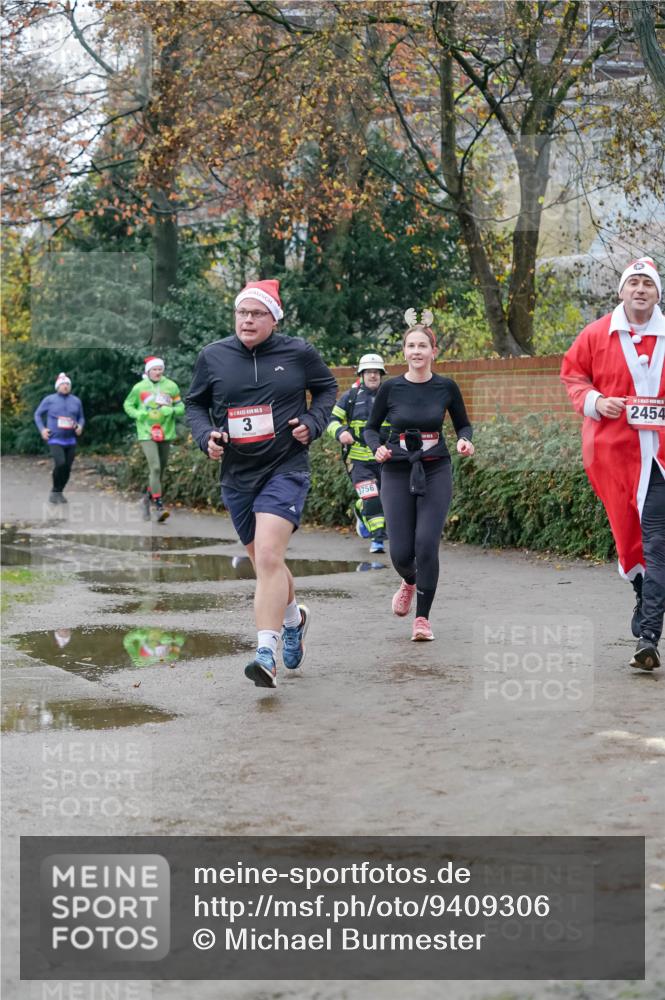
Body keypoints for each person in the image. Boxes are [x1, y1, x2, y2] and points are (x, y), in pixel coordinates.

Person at [185, 279, 337, 689]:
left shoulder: (299, 352)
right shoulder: (213, 356)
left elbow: (326, 390)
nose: (247, 320)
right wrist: (207, 437)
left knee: (269, 555)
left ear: (274, 318)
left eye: (256, 314)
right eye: (242, 313)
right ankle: (294, 621)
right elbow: (194, 404)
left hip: (286, 467)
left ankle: (264, 653)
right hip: (237, 475)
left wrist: (312, 423)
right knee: (265, 562)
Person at [561, 256, 665, 672]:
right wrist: (596, 401)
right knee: (629, 542)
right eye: (633, 283)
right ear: (621, 291)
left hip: (660, 458)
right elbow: (572, 376)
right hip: (614, 455)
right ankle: (643, 594)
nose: (640, 289)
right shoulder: (595, 334)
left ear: (658, 294)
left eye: (648, 284)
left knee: (658, 544)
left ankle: (648, 636)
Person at [364, 309, 474, 642]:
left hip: (435, 467)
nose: (416, 352)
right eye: (411, 346)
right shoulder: (391, 388)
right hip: (397, 469)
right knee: (400, 552)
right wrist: (377, 449)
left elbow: (462, 424)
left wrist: (465, 440)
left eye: (422, 346)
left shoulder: (446, 387)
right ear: (405, 351)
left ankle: (422, 619)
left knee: (426, 544)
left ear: (432, 352)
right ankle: (409, 581)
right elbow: (371, 429)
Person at [327, 353, 390, 554]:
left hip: (386, 460)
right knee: (371, 496)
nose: (372, 375)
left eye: (376, 372)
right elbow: (331, 420)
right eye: (368, 372)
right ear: (361, 375)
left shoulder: (391, 396)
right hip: (359, 462)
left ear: (381, 375)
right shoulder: (350, 398)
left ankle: (361, 512)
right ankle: (377, 539)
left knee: (386, 499)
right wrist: (340, 432)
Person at [123, 356, 185, 523]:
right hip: (146, 432)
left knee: (160, 471)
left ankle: (146, 500)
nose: (157, 372)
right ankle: (159, 507)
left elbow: (181, 407)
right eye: (154, 369)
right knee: (155, 468)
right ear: (148, 371)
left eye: (160, 369)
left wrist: (171, 411)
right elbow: (128, 405)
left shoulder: (171, 386)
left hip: (166, 432)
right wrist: (138, 414)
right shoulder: (139, 388)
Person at [34, 373, 85, 504]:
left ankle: (59, 492)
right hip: (55, 438)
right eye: (63, 384)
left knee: (67, 468)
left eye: (68, 384)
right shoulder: (49, 399)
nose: (65, 386)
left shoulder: (76, 400)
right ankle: (55, 491)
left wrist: (80, 426)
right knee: (60, 463)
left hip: (71, 439)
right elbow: (38, 415)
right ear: (57, 386)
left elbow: (81, 417)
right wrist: (42, 429)